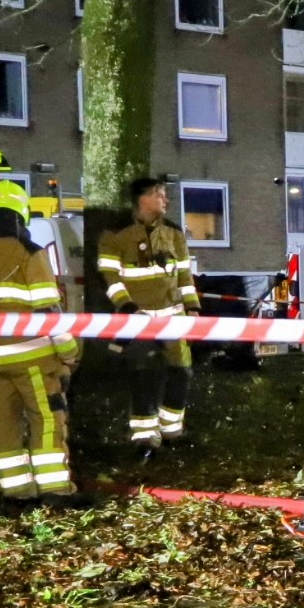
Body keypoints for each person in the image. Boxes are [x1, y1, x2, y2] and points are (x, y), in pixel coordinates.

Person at [0, 179, 79, 499]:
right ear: (20, 212)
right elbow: (49, 309)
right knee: (46, 418)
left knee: (3, 423)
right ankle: (54, 489)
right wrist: (68, 350)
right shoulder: (28, 252)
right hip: (32, 358)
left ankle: (17, 490)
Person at [97, 176, 202, 452]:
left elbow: (184, 276)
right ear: (142, 199)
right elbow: (110, 276)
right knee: (142, 375)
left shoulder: (174, 233)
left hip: (173, 318)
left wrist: (192, 308)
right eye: (159, 194)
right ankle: (145, 437)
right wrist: (127, 307)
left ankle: (172, 430)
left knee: (182, 372)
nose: (165, 200)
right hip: (137, 318)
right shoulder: (114, 235)